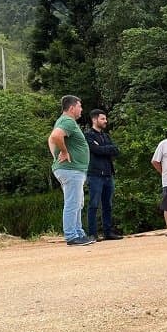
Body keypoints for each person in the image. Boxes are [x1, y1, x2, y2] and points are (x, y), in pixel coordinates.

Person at [48, 95, 92, 246]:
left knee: (77, 202)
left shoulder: (64, 121)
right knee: (73, 202)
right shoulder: (67, 121)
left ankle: (78, 232)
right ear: (72, 108)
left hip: (73, 170)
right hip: (71, 170)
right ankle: (72, 235)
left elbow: (50, 139)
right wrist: (64, 152)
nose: (81, 109)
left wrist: (55, 154)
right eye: (80, 106)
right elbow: (55, 136)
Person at [85, 109, 122, 241]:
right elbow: (95, 150)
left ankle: (108, 232)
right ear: (94, 120)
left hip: (108, 174)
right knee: (94, 204)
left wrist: (104, 149)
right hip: (95, 174)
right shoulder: (88, 135)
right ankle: (92, 233)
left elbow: (116, 150)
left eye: (105, 119)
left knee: (108, 205)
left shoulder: (105, 136)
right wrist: (107, 149)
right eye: (102, 119)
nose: (105, 121)